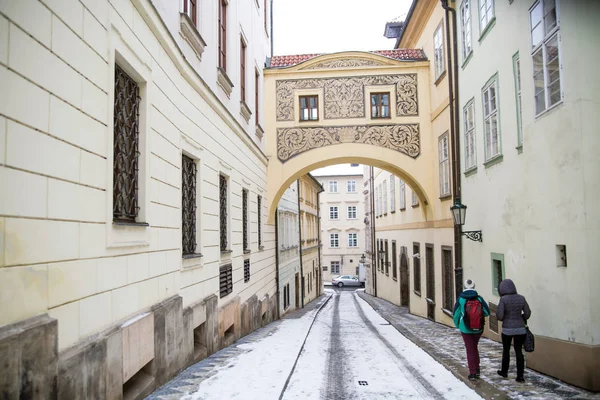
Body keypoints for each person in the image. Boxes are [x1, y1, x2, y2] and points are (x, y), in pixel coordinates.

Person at [453, 279, 490, 381]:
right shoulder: (479, 298)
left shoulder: (461, 299)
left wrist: (458, 324)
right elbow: (487, 312)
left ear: (464, 287)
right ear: (474, 287)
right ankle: (477, 369)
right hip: (478, 328)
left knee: (470, 350)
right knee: (474, 347)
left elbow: (456, 314)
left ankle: (473, 373)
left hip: (465, 328)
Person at [496, 278, 531, 382]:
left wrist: (504, 317)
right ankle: (520, 376)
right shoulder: (521, 298)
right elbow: (528, 313)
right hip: (520, 329)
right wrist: (522, 318)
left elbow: (500, 316)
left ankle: (504, 371)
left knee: (506, 350)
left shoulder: (503, 300)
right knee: (519, 351)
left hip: (507, 329)